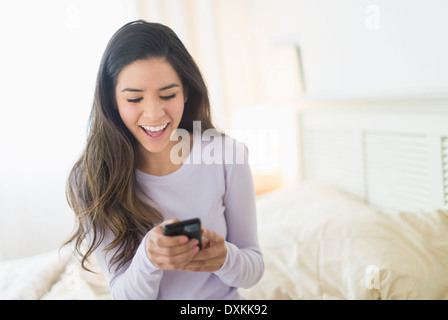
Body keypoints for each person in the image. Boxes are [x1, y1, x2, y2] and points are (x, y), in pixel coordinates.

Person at [64, 20, 264, 300]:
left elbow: (253, 270)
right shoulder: (91, 178)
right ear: (112, 101)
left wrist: (225, 259)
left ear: (185, 91)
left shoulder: (226, 155)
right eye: (134, 99)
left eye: (168, 95)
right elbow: (123, 294)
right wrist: (148, 258)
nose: (154, 114)